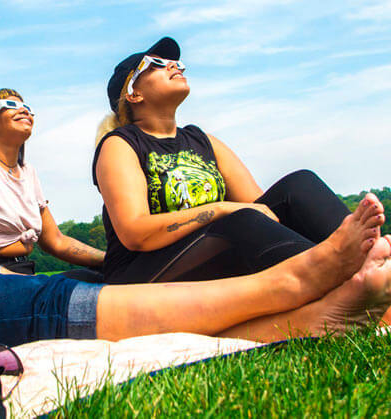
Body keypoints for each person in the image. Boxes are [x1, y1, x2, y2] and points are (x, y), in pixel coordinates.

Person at [0, 17, 389, 347]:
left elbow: (52, 242)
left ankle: (310, 315)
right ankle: (294, 285)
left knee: (70, 287)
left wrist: (105, 262)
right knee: (48, 299)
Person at [93, 37, 357, 285]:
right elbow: (135, 232)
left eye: (174, 62)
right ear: (134, 94)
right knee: (238, 220)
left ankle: (369, 258)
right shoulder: (120, 144)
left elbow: (262, 209)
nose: (173, 65)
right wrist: (221, 209)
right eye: (156, 65)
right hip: (141, 273)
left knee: (298, 185)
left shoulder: (203, 141)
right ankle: (339, 275)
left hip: (210, 247)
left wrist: (235, 213)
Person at [0, 89, 105, 275]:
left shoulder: (28, 172)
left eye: (26, 107)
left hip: (23, 271)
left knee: (105, 278)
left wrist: (110, 259)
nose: (24, 110)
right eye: (10, 105)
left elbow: (56, 241)